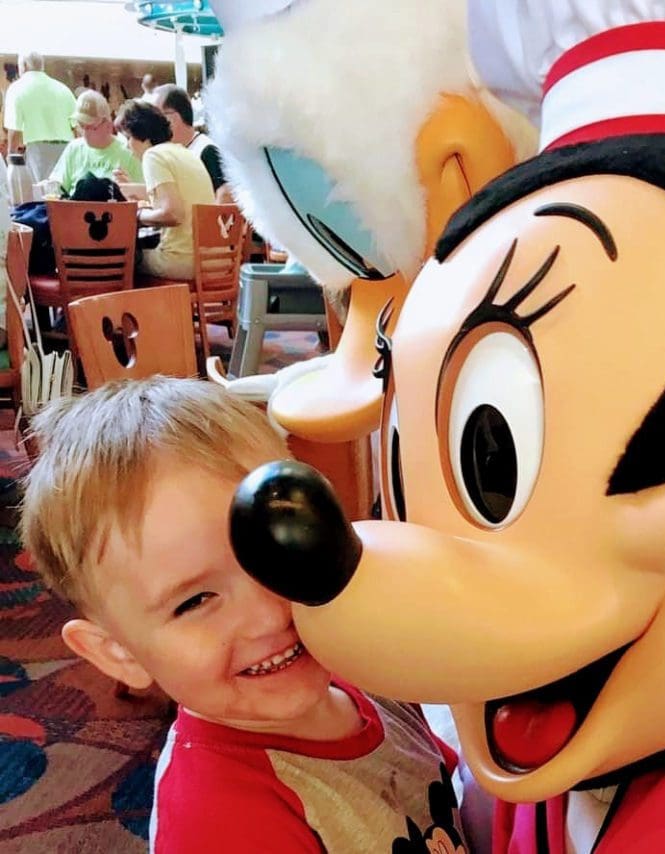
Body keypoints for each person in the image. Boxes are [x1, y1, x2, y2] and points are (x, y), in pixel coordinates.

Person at [20, 377, 468, 853]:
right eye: (194, 601)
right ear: (116, 652)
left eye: (276, 551)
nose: (268, 616)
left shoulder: (364, 670)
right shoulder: (218, 821)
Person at [114, 99, 214, 280]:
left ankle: (130, 308)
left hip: (181, 262)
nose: (127, 146)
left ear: (141, 134)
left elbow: (173, 214)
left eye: (128, 138)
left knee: (120, 259)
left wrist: (137, 215)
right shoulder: (184, 153)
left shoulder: (153, 156)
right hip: (211, 261)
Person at [48, 90, 142, 195]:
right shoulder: (74, 148)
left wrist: (130, 188)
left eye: (91, 127)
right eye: (81, 126)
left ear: (107, 125)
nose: (85, 133)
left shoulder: (128, 152)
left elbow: (145, 196)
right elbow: (57, 189)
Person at [153, 83, 233, 203]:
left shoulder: (206, 150)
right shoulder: (173, 151)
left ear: (173, 117)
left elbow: (225, 193)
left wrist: (205, 220)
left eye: (156, 116)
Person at [2, 52, 76, 181]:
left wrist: (11, 159)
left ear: (24, 66)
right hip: (67, 150)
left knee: (41, 194)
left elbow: (14, 129)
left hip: (38, 152)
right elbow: (78, 126)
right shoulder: (63, 89)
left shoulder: (16, 89)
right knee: (64, 194)